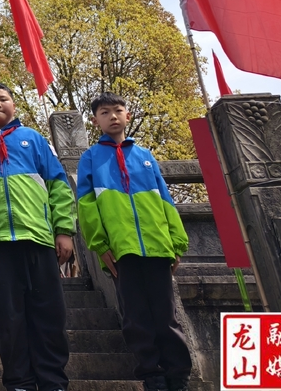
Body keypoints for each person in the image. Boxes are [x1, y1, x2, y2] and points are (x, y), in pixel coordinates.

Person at [0, 82, 75, 391]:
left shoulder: (33, 139)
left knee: (49, 314)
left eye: (3, 99)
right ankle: (20, 381)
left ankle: (53, 381)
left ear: (14, 105)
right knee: (8, 318)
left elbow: (58, 186)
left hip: (37, 238)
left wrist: (63, 230)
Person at [76, 93, 192, 391]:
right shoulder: (90, 158)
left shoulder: (145, 155)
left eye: (118, 110)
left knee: (166, 313)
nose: (113, 116)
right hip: (120, 248)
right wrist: (101, 245)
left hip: (157, 245)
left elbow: (165, 199)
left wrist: (176, 242)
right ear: (95, 120)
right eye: (105, 112)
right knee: (135, 314)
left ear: (128, 115)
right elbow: (87, 206)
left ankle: (178, 374)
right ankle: (151, 373)